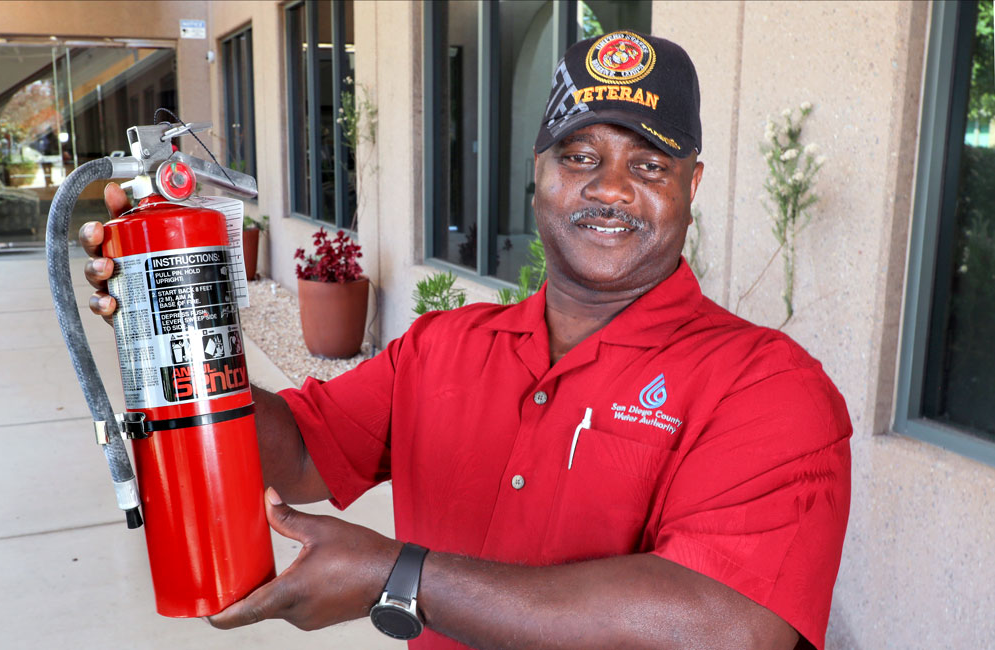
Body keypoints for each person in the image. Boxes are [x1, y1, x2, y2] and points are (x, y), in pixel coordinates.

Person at [81, 31, 850, 650]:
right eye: (580, 157)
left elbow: (728, 626)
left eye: (647, 164)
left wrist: (401, 578)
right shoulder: (443, 347)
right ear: (538, 175)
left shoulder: (766, 385)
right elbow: (300, 453)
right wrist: (175, 329)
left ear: (692, 185)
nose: (610, 188)